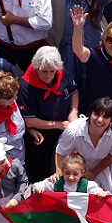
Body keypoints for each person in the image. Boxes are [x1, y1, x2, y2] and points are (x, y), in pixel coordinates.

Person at [18, 46, 79, 180]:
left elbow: (74, 92)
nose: (49, 75)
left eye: (52, 71)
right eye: (44, 71)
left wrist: (73, 111)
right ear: (36, 67)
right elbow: (29, 120)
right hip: (41, 136)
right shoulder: (25, 87)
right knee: (41, 173)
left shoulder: (63, 74)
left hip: (64, 130)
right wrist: (58, 124)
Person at [71, 7, 112, 129]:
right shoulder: (95, 56)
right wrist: (78, 28)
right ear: (104, 40)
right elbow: (78, 49)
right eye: (110, 40)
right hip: (93, 115)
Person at [55, 97, 112, 195]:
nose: (100, 120)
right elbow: (61, 153)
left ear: (111, 119)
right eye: (96, 114)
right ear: (90, 113)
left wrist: (94, 173)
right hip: (76, 164)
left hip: (103, 165)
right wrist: (59, 174)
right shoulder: (73, 130)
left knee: (107, 195)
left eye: (105, 117)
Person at [0, 70, 40, 167]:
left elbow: (17, 123)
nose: (15, 98)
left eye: (15, 94)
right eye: (10, 97)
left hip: (19, 161)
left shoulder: (10, 103)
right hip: (2, 169)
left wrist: (29, 129)